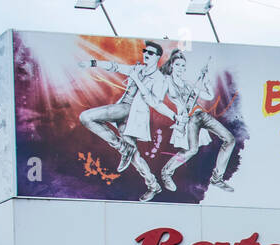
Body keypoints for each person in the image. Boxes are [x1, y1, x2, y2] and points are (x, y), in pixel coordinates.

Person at [80, 40, 178, 202]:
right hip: (124, 111)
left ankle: (122, 147)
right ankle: (153, 185)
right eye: (145, 51)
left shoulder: (160, 79)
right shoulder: (138, 69)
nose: (146, 54)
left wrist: (137, 79)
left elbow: (155, 101)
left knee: (86, 117)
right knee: (135, 157)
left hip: (134, 112)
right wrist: (93, 63)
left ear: (158, 57)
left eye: (150, 53)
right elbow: (115, 67)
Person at [159, 50, 237, 193]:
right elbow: (157, 101)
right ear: (171, 65)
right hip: (188, 120)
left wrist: (206, 79)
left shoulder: (187, 83)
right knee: (192, 150)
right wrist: (173, 115)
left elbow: (208, 95)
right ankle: (166, 172)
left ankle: (217, 178)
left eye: (183, 66)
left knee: (230, 139)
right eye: (178, 65)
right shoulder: (167, 82)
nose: (181, 68)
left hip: (201, 115)